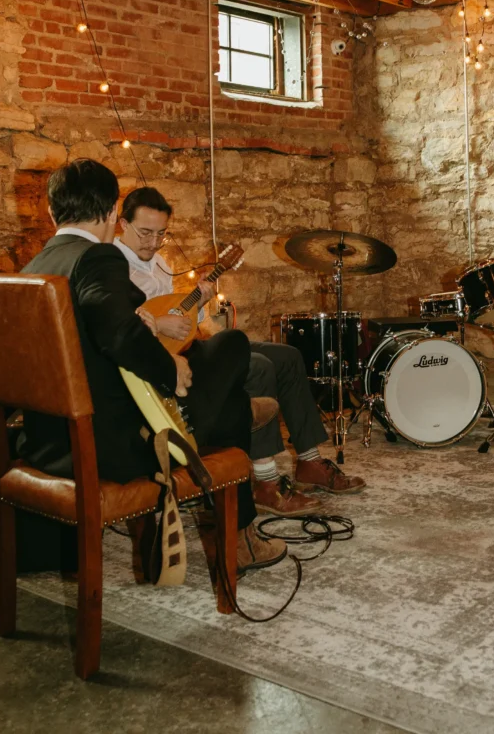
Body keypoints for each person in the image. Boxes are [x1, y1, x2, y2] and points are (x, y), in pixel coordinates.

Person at [19, 159, 286, 574]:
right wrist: (169, 368)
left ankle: (226, 439)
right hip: (115, 449)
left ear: (52, 213)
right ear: (112, 213)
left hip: (48, 446)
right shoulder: (98, 258)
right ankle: (239, 536)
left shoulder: (31, 270)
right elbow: (117, 335)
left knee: (225, 393)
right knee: (231, 345)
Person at [115, 186, 366, 517]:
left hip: (187, 346)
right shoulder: (113, 266)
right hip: (162, 366)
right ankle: (264, 483)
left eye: (160, 234)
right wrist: (158, 324)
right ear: (121, 224)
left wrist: (200, 300)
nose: (152, 242)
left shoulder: (160, 263)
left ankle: (309, 462)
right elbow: (121, 325)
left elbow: (186, 320)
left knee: (288, 357)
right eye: (145, 232)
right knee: (257, 365)